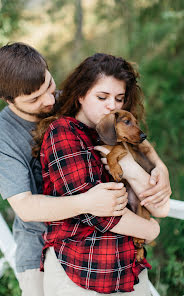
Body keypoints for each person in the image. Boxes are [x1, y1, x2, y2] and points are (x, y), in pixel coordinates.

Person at [0, 43, 131, 296]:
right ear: (7, 100)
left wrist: (158, 165)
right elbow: (26, 207)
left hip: (95, 244)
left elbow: (118, 123)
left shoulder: (71, 100)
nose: (50, 101)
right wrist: (87, 202)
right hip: (40, 251)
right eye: (34, 99)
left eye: (49, 85)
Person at [33, 53, 171, 295]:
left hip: (129, 271)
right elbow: (95, 212)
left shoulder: (116, 136)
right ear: (80, 95)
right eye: (102, 97)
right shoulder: (64, 132)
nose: (112, 106)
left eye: (119, 98)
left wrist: (158, 166)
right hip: (81, 275)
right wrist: (151, 230)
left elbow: (156, 202)